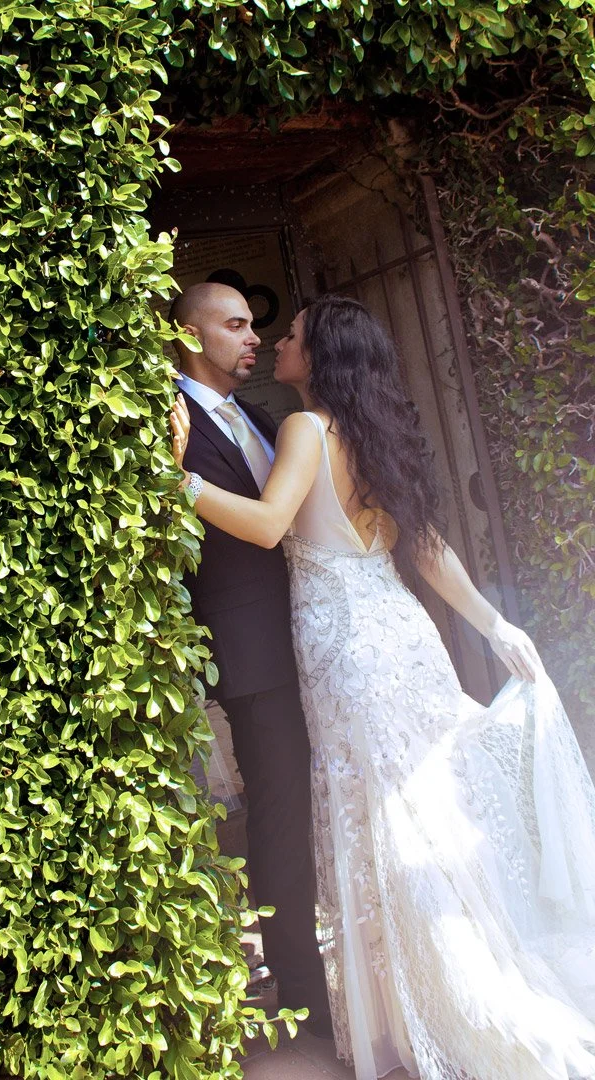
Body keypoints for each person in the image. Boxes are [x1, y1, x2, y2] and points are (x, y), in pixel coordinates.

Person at [171, 293, 595, 1080]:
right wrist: (496, 627)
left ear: (318, 355)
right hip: (404, 635)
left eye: (291, 334)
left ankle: (426, 1004)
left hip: (346, 653)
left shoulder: (302, 428)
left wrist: (174, 478)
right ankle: (449, 977)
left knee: (381, 822)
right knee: (428, 812)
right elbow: (427, 547)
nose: (276, 341)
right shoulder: (373, 433)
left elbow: (267, 525)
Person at [169, 283, 332, 1035]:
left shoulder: (266, 417)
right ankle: (304, 997)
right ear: (189, 335)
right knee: (278, 813)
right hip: (250, 653)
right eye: (234, 325)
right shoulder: (160, 424)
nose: (253, 337)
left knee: (319, 802)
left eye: (254, 325)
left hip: (314, 639)